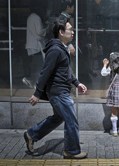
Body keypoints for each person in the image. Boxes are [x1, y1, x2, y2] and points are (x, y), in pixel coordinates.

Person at [23, 15, 88, 159]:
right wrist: (37, 93)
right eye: (70, 29)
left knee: (58, 118)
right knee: (71, 120)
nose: (73, 32)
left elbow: (66, 71)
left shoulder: (61, 49)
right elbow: (45, 72)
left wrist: (77, 83)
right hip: (58, 93)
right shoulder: (55, 50)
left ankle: (31, 134)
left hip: (60, 91)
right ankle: (71, 151)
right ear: (61, 32)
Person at [22, 3, 48, 89]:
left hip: (32, 44)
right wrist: (47, 28)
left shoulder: (31, 17)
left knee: (36, 64)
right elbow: (39, 31)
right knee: (39, 64)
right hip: (36, 45)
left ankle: (33, 81)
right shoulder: (36, 17)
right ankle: (35, 83)